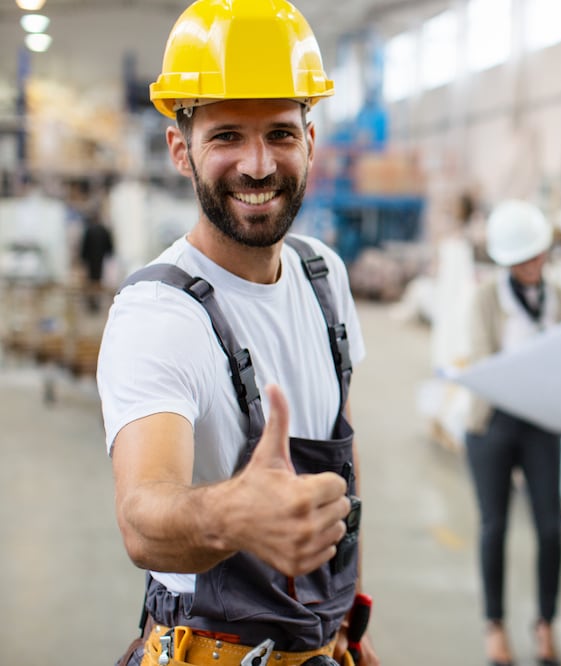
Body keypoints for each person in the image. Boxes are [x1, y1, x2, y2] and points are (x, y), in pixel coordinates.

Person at [97, 1, 378, 664]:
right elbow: (143, 516)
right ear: (180, 150)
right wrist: (236, 516)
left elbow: (343, 459)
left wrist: (351, 620)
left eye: (280, 132)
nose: (257, 165)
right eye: (226, 136)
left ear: (310, 141)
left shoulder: (323, 276)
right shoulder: (158, 315)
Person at [465, 200, 561, 666]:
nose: (533, 265)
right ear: (505, 262)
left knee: (550, 528)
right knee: (495, 527)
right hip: (493, 424)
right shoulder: (486, 300)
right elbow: (485, 361)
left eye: (537, 255)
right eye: (521, 259)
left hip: (541, 425)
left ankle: (545, 623)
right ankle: (495, 626)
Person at [79, 211, 114, 312]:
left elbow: (84, 246)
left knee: (91, 279)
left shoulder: (89, 230)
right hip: (101, 258)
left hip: (91, 259)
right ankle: (98, 301)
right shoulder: (104, 230)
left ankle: (92, 301)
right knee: (100, 279)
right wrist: (110, 254)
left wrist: (83, 257)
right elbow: (109, 245)